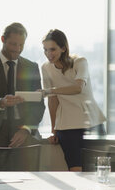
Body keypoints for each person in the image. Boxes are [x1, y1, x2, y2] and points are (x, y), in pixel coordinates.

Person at [41, 29, 106, 171]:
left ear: (63, 48)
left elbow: (78, 88)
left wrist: (50, 90)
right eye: (45, 50)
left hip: (91, 122)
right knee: (75, 170)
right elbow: (53, 101)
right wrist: (54, 130)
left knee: (101, 169)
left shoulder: (80, 62)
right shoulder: (45, 67)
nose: (48, 54)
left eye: (52, 49)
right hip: (67, 125)